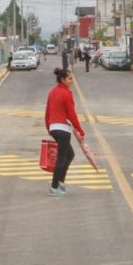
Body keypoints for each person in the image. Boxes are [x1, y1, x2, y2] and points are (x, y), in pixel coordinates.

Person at [44, 67, 85, 197]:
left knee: (69, 155)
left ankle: (60, 182)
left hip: (54, 128)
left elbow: (47, 112)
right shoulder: (66, 94)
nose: (72, 81)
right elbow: (72, 115)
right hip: (62, 129)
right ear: (62, 80)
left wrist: (49, 128)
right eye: (70, 79)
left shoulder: (52, 92)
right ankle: (54, 186)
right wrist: (80, 130)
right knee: (62, 158)